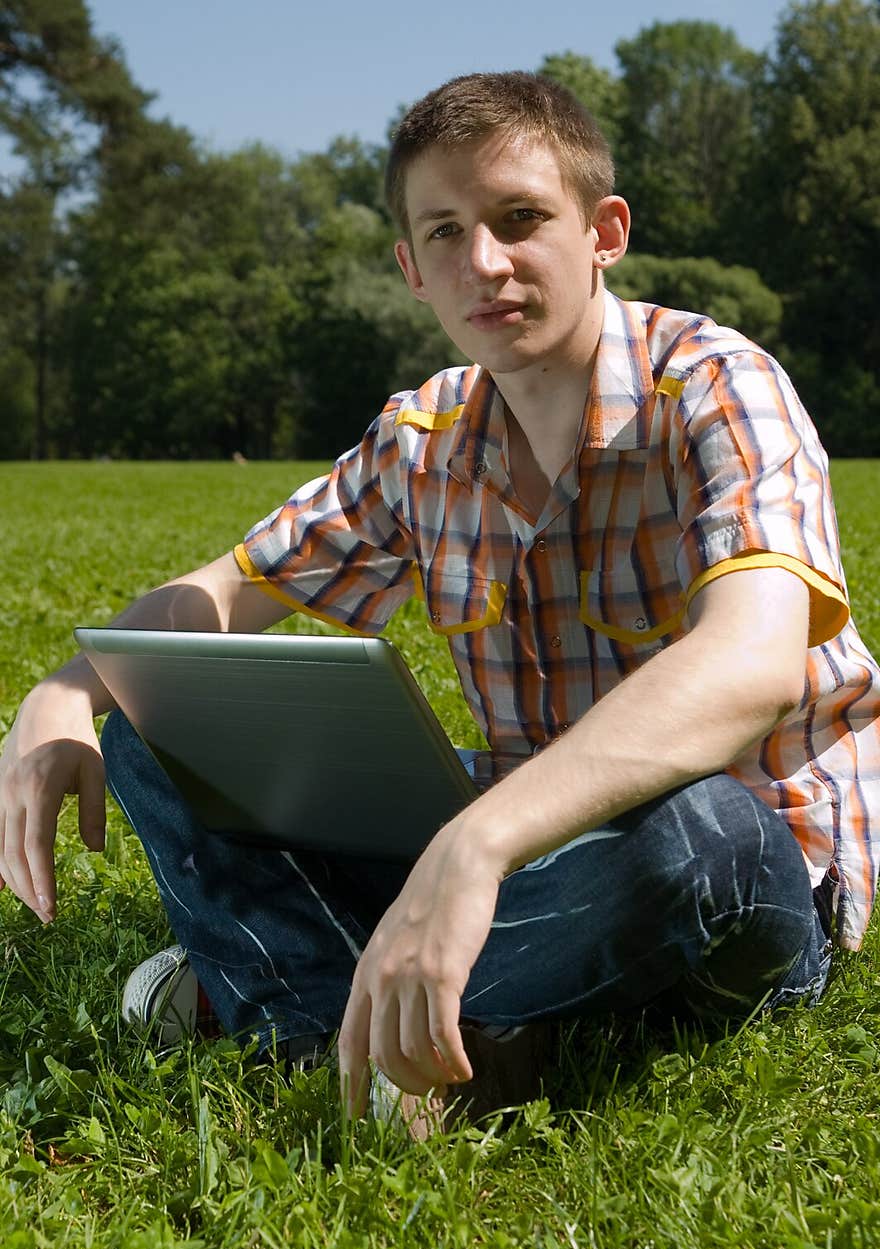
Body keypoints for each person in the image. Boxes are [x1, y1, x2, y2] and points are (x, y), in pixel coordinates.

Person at [2, 71, 879, 1135]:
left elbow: (750, 668)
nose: (487, 263)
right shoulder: (420, 439)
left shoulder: (713, 385)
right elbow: (225, 592)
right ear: (411, 269)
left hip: (745, 866)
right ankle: (393, 1037)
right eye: (447, 232)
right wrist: (62, 691)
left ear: (603, 230)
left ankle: (303, 988)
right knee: (170, 720)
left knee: (704, 829)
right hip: (532, 837)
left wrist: (477, 846)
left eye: (519, 220)